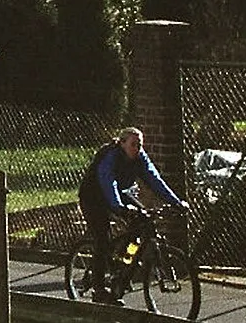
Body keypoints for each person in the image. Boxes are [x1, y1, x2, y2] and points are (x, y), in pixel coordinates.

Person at [77, 126, 187, 303]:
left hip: (119, 195)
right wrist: (118, 207)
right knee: (102, 239)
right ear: (122, 144)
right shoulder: (111, 156)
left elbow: (154, 178)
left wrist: (176, 202)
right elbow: (108, 181)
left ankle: (122, 264)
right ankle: (98, 289)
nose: (137, 148)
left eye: (140, 145)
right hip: (93, 197)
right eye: (133, 144)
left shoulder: (140, 158)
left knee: (141, 223)